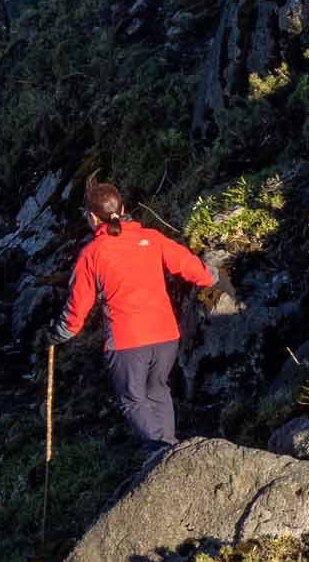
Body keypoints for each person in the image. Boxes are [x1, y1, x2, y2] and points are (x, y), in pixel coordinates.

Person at [51, 176, 214, 449]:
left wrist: (60, 333)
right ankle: (171, 448)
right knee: (158, 390)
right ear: (123, 210)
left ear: (92, 218)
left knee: (132, 401)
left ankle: (162, 452)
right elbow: (189, 265)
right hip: (165, 336)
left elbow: (78, 304)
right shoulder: (151, 238)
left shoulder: (93, 253)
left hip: (127, 342)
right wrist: (212, 278)